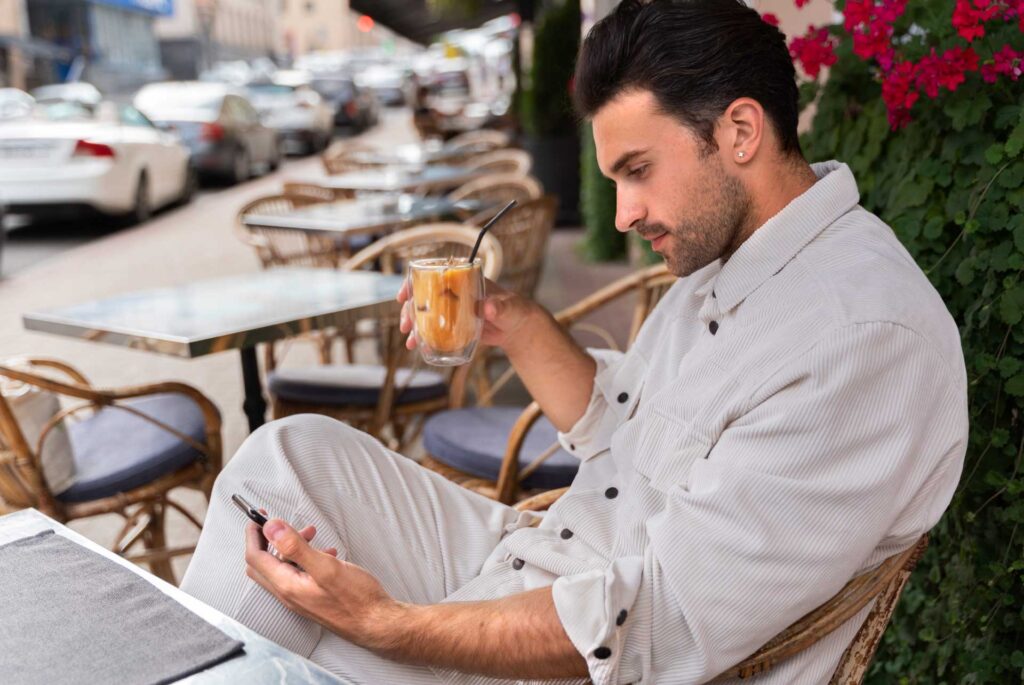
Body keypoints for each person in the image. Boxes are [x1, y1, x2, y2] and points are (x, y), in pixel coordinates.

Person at [181, 2, 968, 683]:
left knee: (295, 645)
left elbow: (658, 620)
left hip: (588, 652)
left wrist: (389, 623)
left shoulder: (862, 340)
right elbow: (620, 426)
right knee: (286, 459)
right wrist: (515, 323)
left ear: (739, 130)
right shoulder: (728, 261)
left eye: (637, 170)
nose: (624, 213)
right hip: (549, 548)